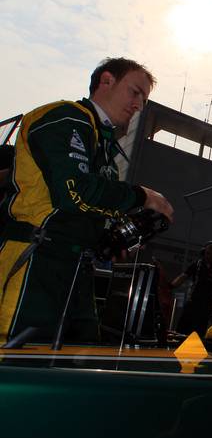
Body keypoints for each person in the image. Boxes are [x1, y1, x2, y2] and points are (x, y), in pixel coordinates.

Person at [0, 57, 174, 346]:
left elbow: (86, 211)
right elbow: (75, 193)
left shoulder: (106, 151)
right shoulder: (64, 117)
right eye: (135, 93)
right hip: (34, 261)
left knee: (81, 360)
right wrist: (143, 196)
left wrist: (112, 240)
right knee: (17, 364)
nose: (139, 106)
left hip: (77, 270)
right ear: (106, 80)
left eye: (144, 100)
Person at [171, 241, 212, 337]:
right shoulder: (196, 264)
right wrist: (171, 286)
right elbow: (183, 276)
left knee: (199, 330)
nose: (209, 256)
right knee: (183, 327)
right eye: (208, 253)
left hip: (206, 304)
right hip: (193, 300)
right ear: (203, 253)